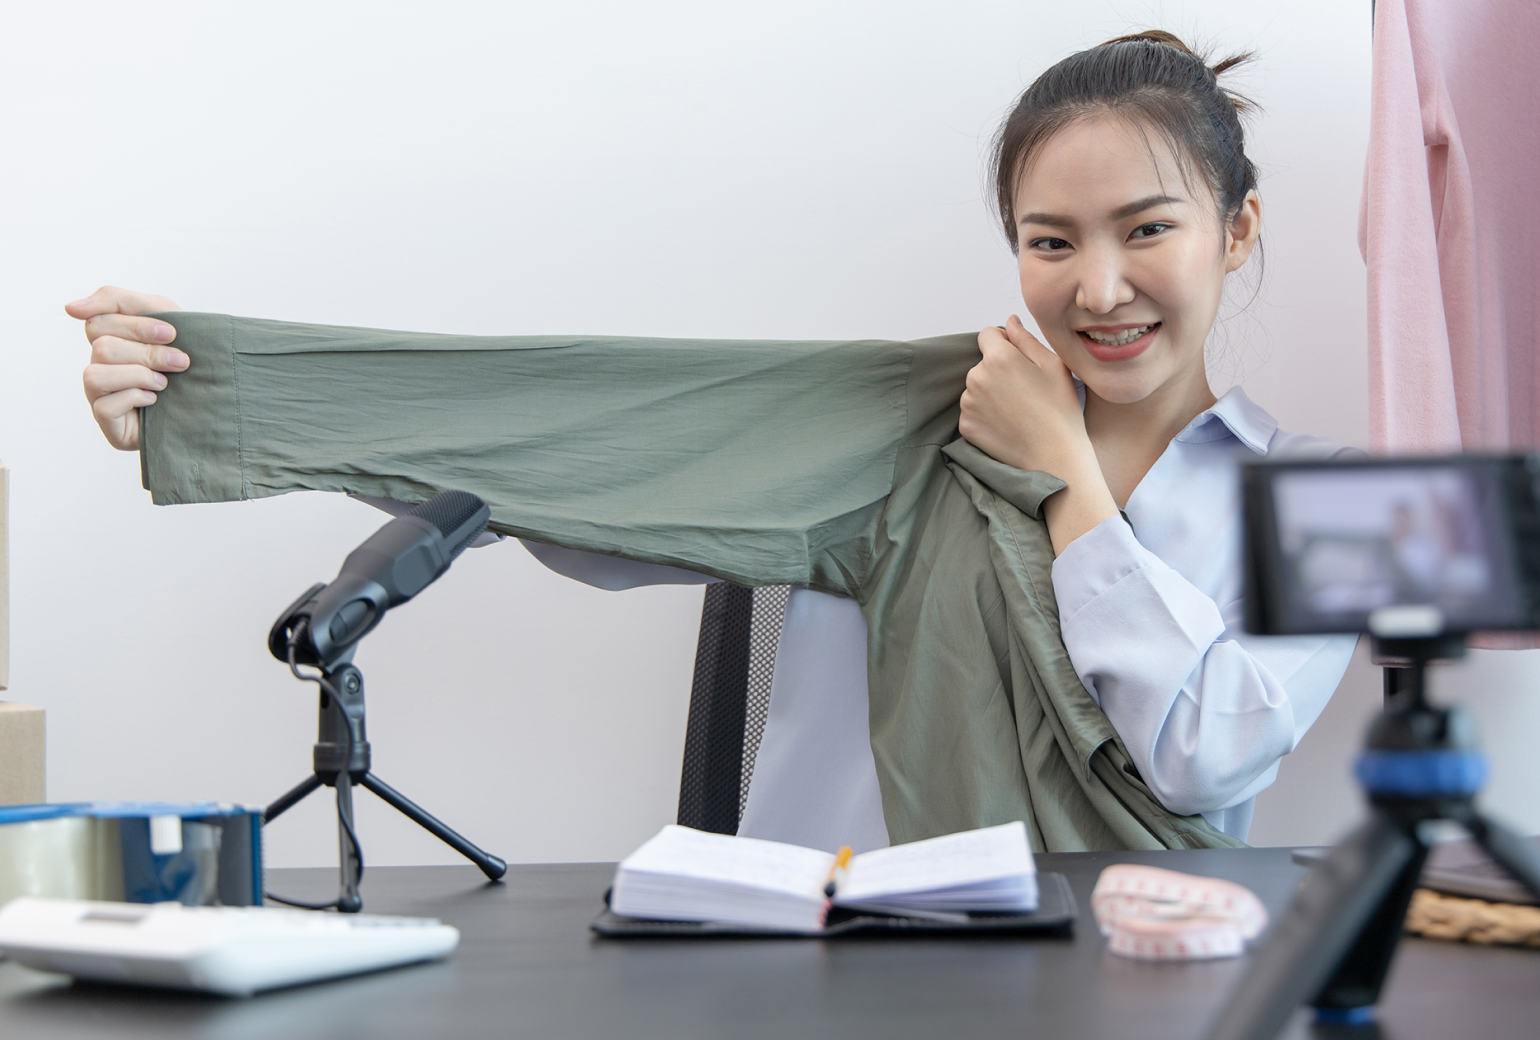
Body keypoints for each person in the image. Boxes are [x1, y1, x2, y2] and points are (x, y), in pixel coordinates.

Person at [67, 31, 1358, 851]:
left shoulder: (1328, 504)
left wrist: (1064, 478)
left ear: (1235, 230)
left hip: (1112, 989)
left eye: (1148, 229)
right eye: (1051, 240)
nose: (1100, 286)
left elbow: (1202, 758)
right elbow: (620, 467)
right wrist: (220, 383)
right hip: (814, 962)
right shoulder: (914, 429)